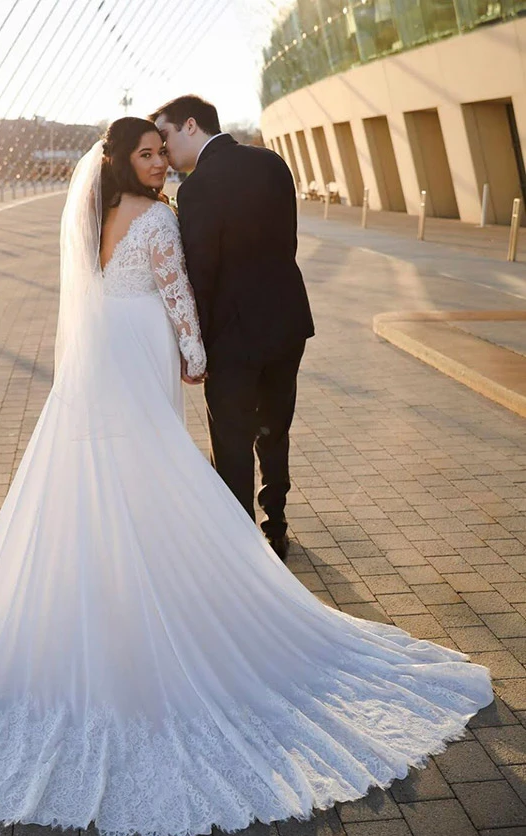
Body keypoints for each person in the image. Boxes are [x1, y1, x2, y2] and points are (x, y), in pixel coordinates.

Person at [0, 117, 493, 836]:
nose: (159, 165)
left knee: (103, 465)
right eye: (146, 155)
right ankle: (164, 577)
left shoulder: (90, 216)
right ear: (121, 161)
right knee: (155, 457)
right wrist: (194, 355)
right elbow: (177, 292)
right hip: (146, 341)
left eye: (161, 152)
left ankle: (113, 582)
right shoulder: (156, 218)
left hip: (100, 356)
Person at [150, 95, 314, 560]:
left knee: (231, 437)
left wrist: (192, 343)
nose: (163, 153)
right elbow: (289, 242)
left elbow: (202, 273)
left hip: (233, 336)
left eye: (164, 138)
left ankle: (242, 546)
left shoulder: (198, 188)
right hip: (287, 323)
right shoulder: (273, 164)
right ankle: (276, 521)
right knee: (276, 426)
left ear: (189, 125)